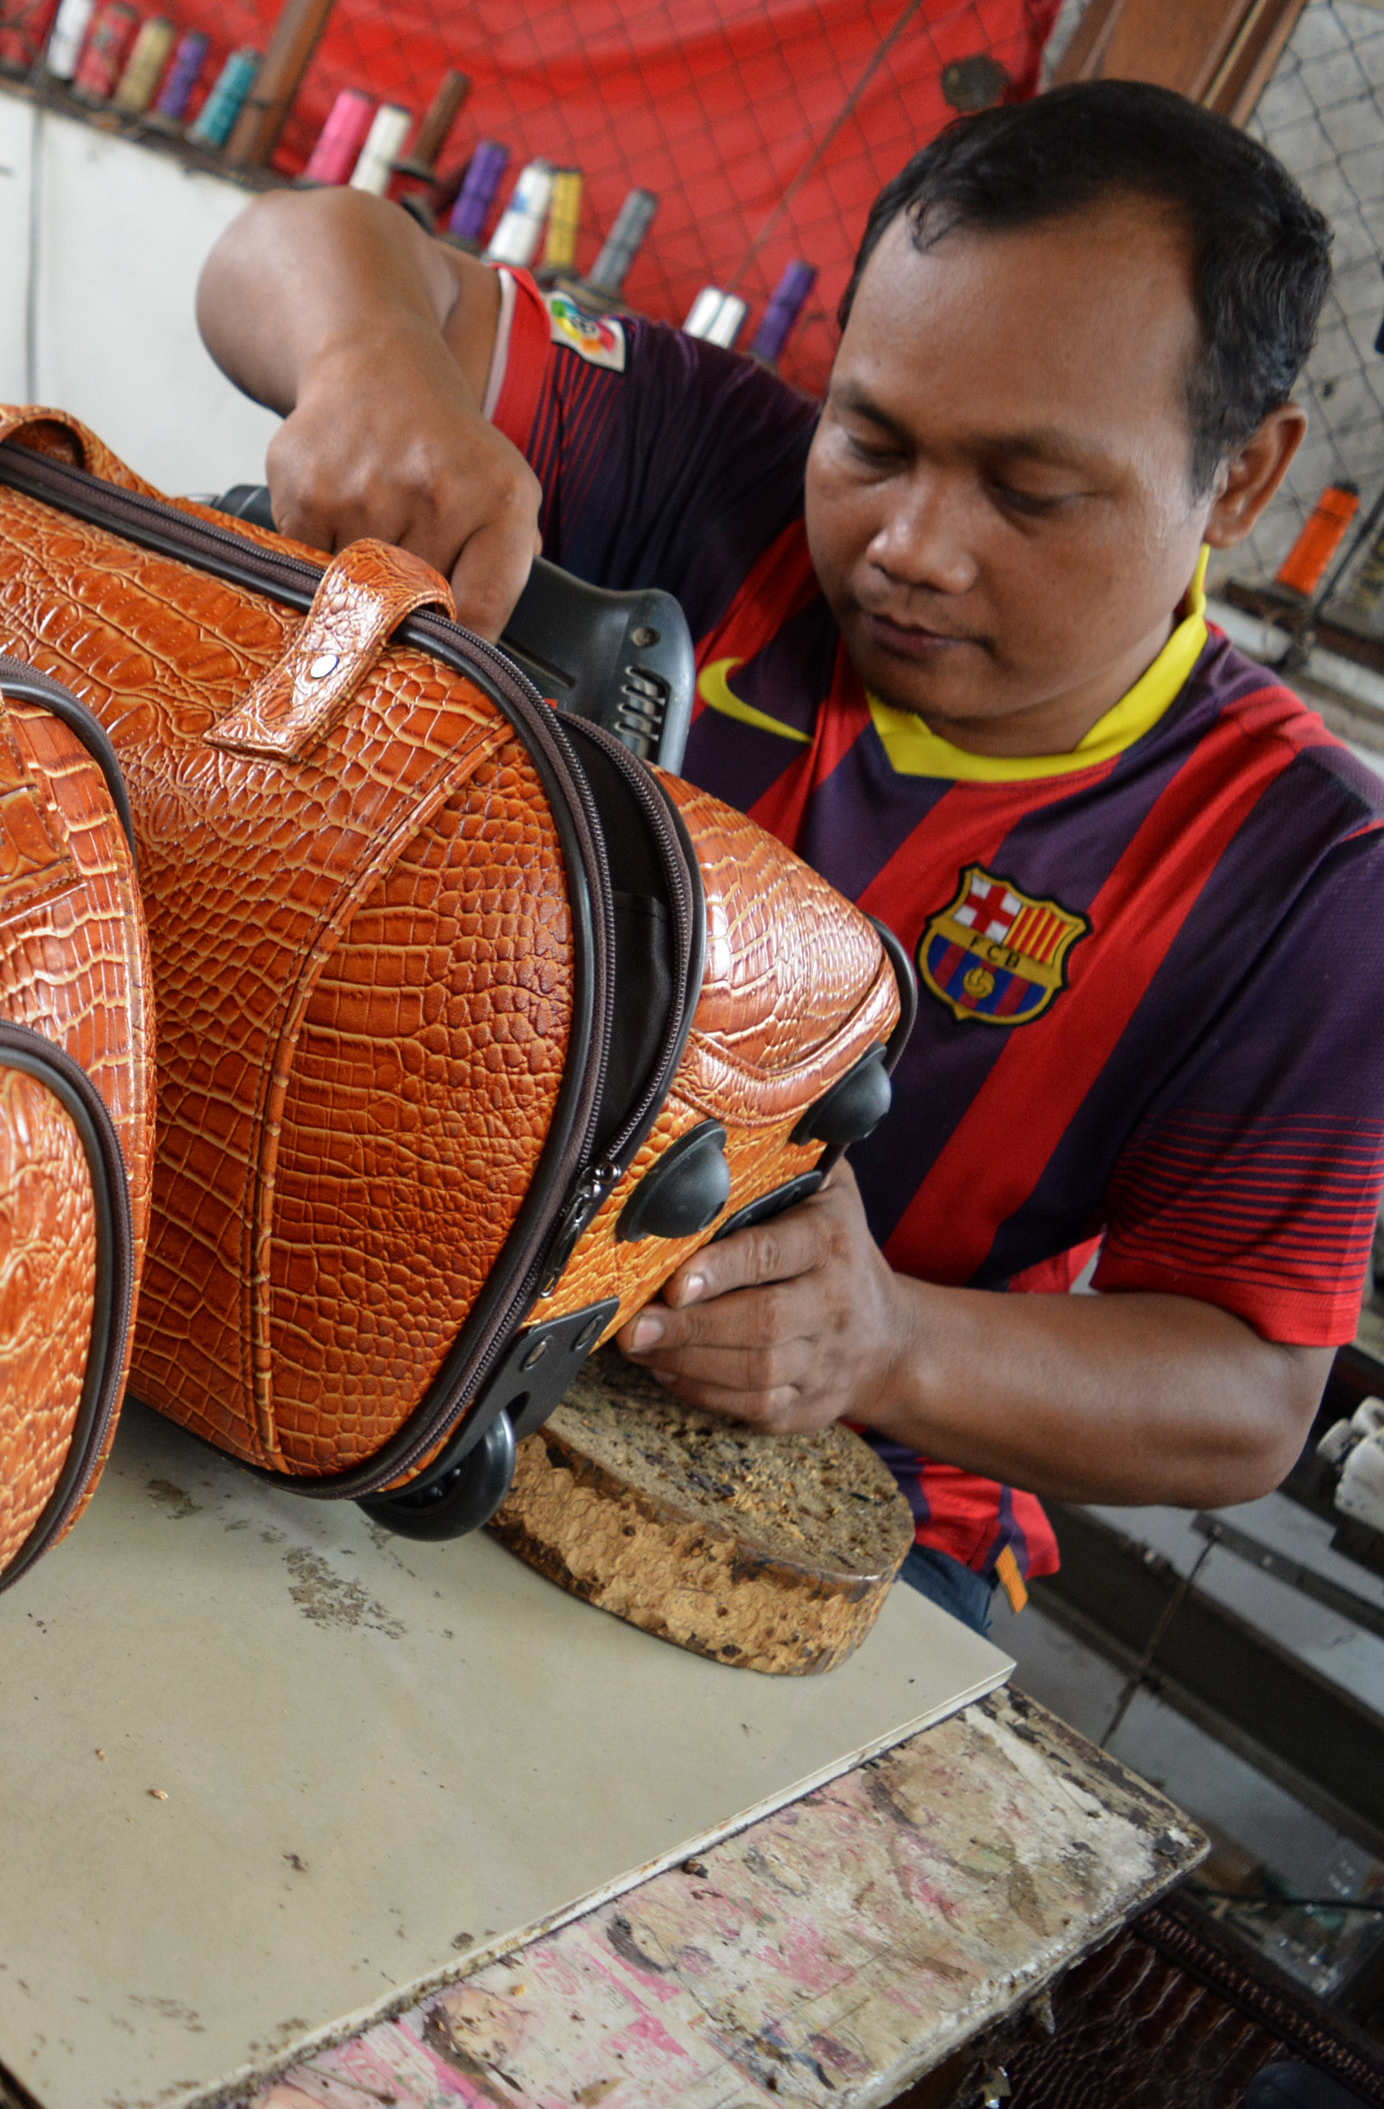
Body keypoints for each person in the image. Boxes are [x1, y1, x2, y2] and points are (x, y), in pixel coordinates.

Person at [196, 80, 1384, 1631]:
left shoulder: (1304, 871)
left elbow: (1246, 1398)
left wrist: (887, 1344)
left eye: (1029, 489)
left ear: (1238, 476)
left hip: (843, 1473)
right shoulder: (713, 463)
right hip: (404, 1258)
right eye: (873, 440)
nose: (912, 545)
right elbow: (286, 250)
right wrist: (371, 365)